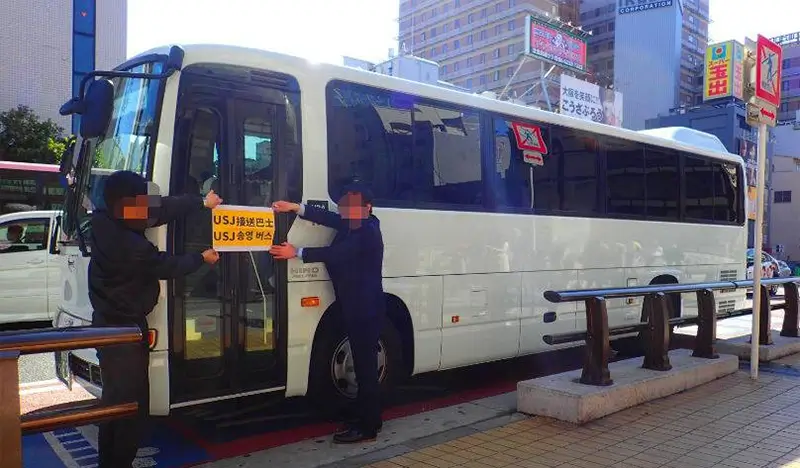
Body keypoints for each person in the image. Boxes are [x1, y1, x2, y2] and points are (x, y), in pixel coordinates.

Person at [88, 170, 222, 467]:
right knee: (130, 406)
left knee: (115, 402)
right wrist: (202, 259)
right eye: (141, 203)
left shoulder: (103, 220)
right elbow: (163, 265)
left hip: (108, 324)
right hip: (123, 331)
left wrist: (201, 201)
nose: (149, 210)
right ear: (126, 204)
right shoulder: (130, 246)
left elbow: (162, 208)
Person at [270, 185, 384, 444]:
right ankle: (369, 418)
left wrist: (296, 252)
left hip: (364, 310)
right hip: (359, 307)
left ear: (368, 208)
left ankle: (367, 428)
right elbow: (329, 218)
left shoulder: (366, 231)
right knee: (365, 368)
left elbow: (337, 254)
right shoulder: (354, 223)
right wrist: (296, 208)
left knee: (366, 371)